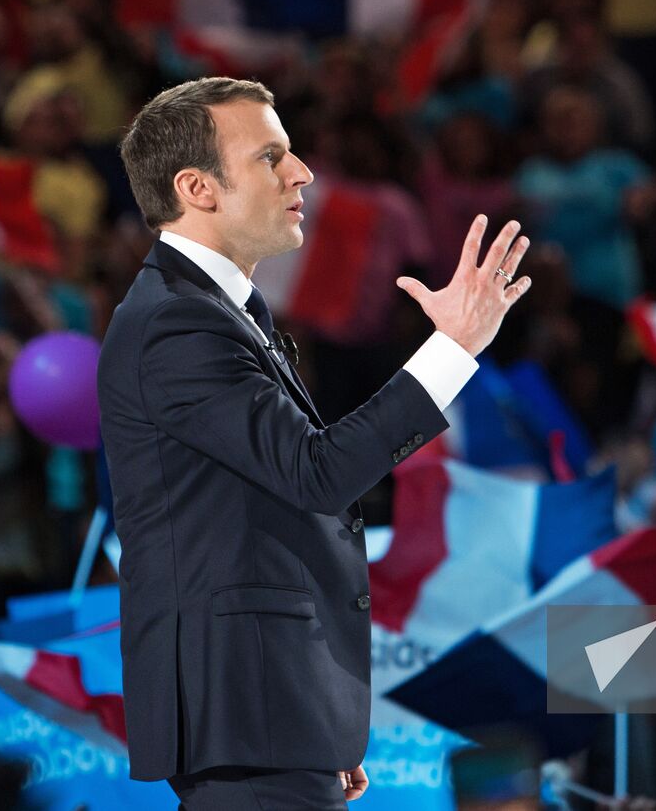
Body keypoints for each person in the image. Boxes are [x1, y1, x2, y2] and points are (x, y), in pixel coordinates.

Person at [98, 77, 532, 808]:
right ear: (198, 187)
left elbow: (267, 505)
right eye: (272, 157)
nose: (302, 174)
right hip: (244, 713)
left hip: (271, 715)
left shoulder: (223, 310)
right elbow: (316, 472)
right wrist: (452, 347)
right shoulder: (178, 324)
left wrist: (317, 716)